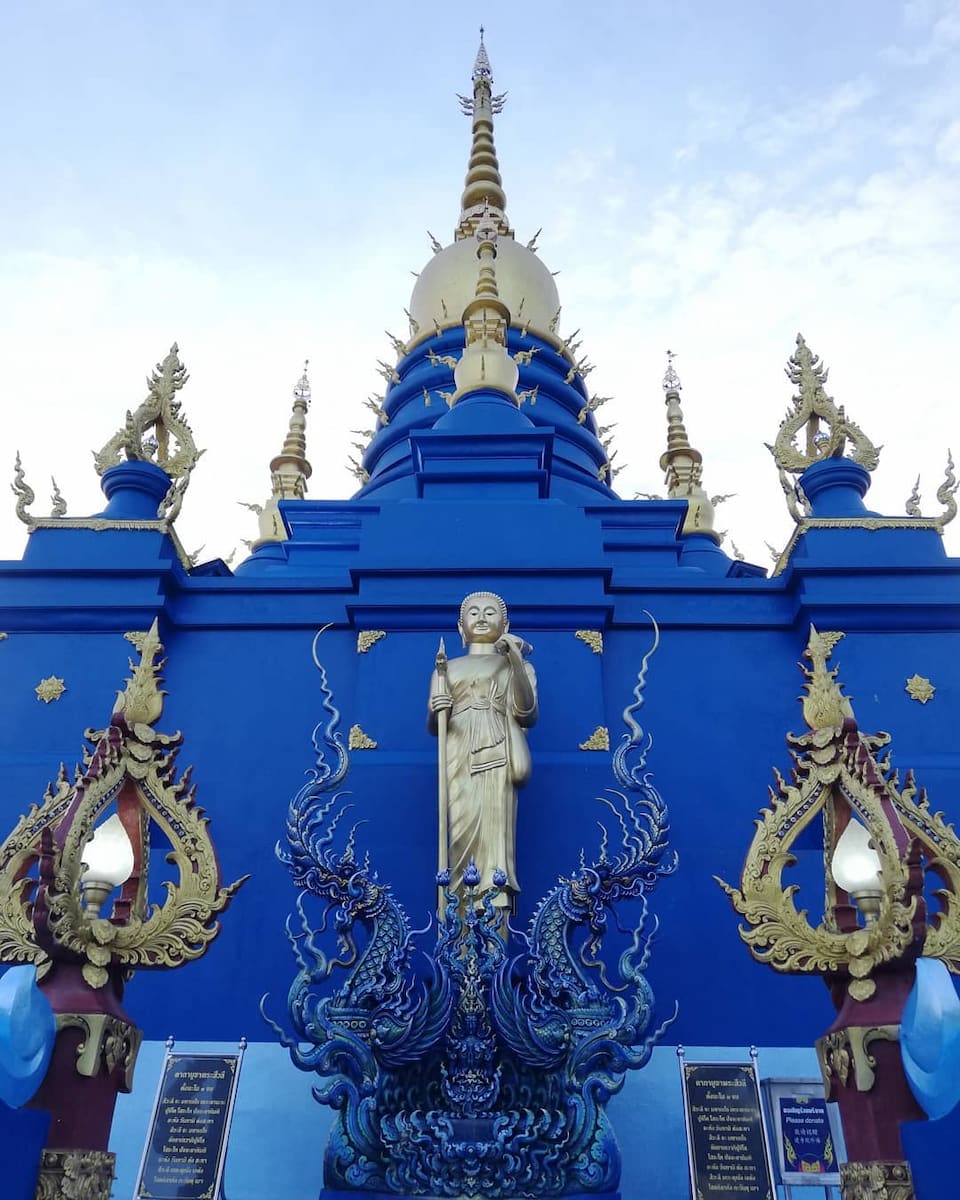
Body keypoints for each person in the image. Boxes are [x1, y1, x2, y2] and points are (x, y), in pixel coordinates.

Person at [428, 592, 537, 906]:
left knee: (494, 845)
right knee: (460, 835)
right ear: (461, 627)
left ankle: (494, 916)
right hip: (457, 754)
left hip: (496, 754)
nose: (481, 617)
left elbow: (527, 712)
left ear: (505, 624)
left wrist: (515, 657)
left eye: (490, 612)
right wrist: (438, 707)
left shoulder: (518, 667)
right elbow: (434, 724)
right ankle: (458, 923)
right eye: (472, 612)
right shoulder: (445, 668)